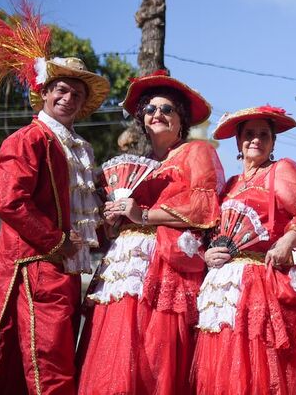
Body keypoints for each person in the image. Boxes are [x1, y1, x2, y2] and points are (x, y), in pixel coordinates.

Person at [0, 4, 110, 395]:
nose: (68, 97)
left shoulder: (79, 147)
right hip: (36, 265)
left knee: (59, 359)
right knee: (47, 366)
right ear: (45, 92)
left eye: (76, 93)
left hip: (65, 268)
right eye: (61, 89)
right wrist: (56, 242)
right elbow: (9, 201)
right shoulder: (29, 139)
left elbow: (83, 211)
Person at [78, 70, 224, 395]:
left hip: (166, 261)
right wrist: (114, 217)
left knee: (156, 351)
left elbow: (204, 205)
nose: (158, 114)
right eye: (150, 109)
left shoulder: (196, 152)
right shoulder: (138, 164)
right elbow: (120, 218)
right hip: (125, 265)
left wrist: (143, 214)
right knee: (115, 344)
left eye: (167, 109)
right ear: (143, 118)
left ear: (181, 118)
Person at [192, 105, 296, 395]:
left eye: (263, 134)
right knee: (225, 365)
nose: (256, 140)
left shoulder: (279, 172)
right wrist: (207, 254)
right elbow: (212, 231)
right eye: (249, 134)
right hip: (224, 291)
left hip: (262, 285)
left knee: (261, 366)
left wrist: (288, 240)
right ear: (238, 142)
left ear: (273, 142)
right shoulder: (229, 184)